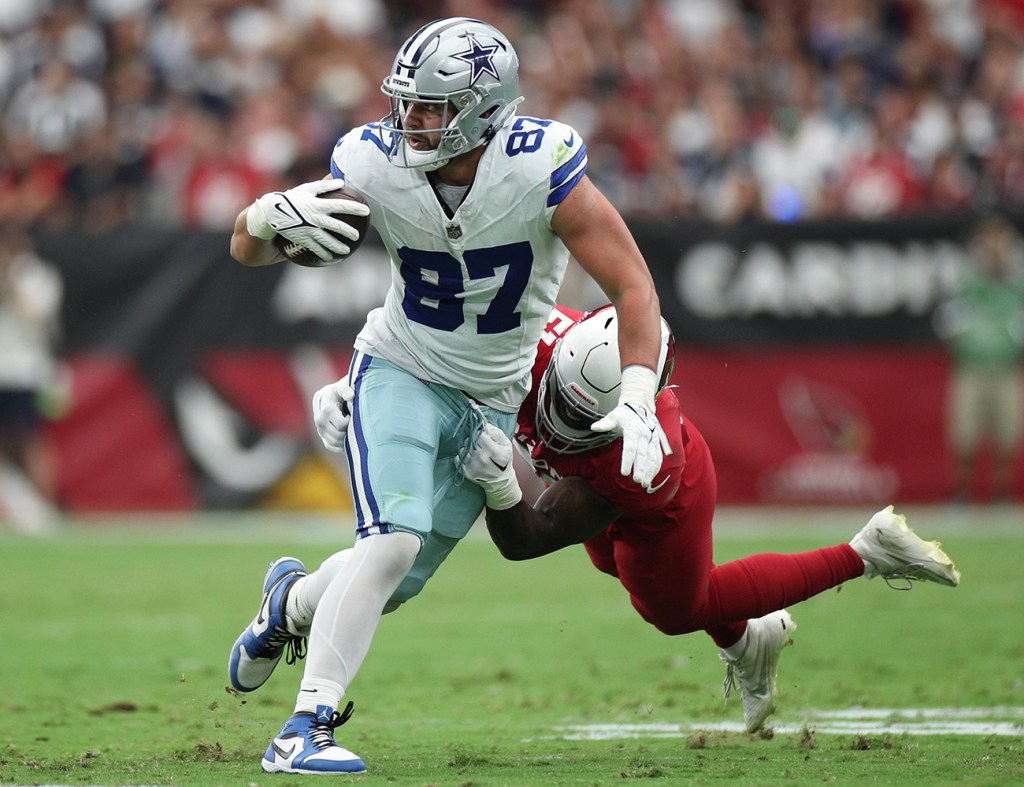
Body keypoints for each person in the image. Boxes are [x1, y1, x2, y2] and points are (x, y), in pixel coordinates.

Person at [226, 18, 668, 776]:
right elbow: (248, 249)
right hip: (400, 366)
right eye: (408, 103)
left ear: (484, 110)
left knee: (388, 583)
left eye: (431, 108)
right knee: (390, 541)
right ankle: (305, 725)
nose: (411, 120)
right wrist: (263, 216)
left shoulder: (540, 168)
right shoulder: (372, 160)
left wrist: (637, 394)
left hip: (489, 400)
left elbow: (632, 282)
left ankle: (288, 603)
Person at [312, 304, 962, 735]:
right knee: (604, 560)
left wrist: (500, 480)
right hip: (596, 481)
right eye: (560, 405)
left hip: (665, 505)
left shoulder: (636, 460)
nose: (559, 428)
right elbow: (435, 331)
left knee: (676, 606)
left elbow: (528, 538)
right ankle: (747, 642)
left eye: (580, 424)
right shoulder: (539, 330)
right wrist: (365, 383)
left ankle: (866, 550)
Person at [936, 213, 1024, 503]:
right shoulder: (965, 281)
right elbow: (946, 321)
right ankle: (960, 496)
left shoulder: (1017, 284)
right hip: (971, 368)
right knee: (965, 436)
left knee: (1006, 438)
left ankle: (1001, 495)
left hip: (1006, 369)